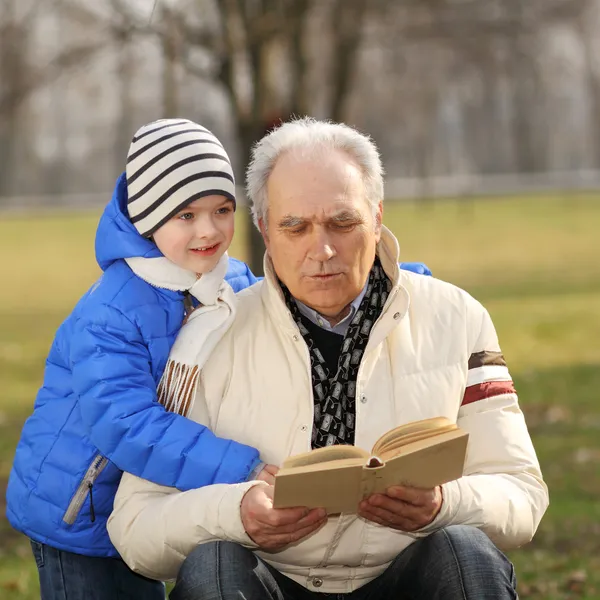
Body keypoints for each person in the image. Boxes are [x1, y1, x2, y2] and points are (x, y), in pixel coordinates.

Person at [107, 117, 548, 600]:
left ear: (377, 216)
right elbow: (135, 526)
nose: (322, 249)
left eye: (343, 222)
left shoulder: (456, 316)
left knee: (465, 553)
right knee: (214, 565)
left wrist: (445, 503)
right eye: (295, 227)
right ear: (264, 230)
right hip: (268, 580)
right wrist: (236, 513)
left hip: (407, 574)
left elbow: (522, 494)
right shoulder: (206, 336)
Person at [6, 118, 273, 599]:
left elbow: (290, 302)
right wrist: (244, 469)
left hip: (155, 500)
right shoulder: (112, 311)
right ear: (148, 219)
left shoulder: (228, 282)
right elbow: (126, 425)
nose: (209, 230)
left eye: (222, 209)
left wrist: (390, 277)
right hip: (82, 514)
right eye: (185, 216)